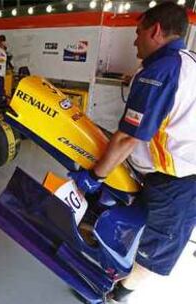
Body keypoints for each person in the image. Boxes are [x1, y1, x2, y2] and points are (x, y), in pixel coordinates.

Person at [68, 3, 196, 303]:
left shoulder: (161, 70)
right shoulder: (187, 61)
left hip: (176, 183)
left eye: (138, 33)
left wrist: (94, 176)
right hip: (173, 175)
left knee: (156, 251)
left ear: (155, 31)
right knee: (145, 231)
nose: (134, 40)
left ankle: (118, 295)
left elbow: (127, 138)